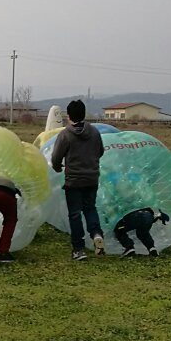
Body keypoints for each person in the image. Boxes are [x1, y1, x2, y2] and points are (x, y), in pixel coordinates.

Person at [51, 99, 105, 261]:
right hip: (92, 178)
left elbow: (56, 157)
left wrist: (57, 167)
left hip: (73, 181)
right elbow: (100, 151)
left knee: (75, 214)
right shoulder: (95, 132)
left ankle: (78, 249)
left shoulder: (66, 134)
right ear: (83, 114)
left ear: (69, 116)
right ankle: (96, 234)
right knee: (90, 208)